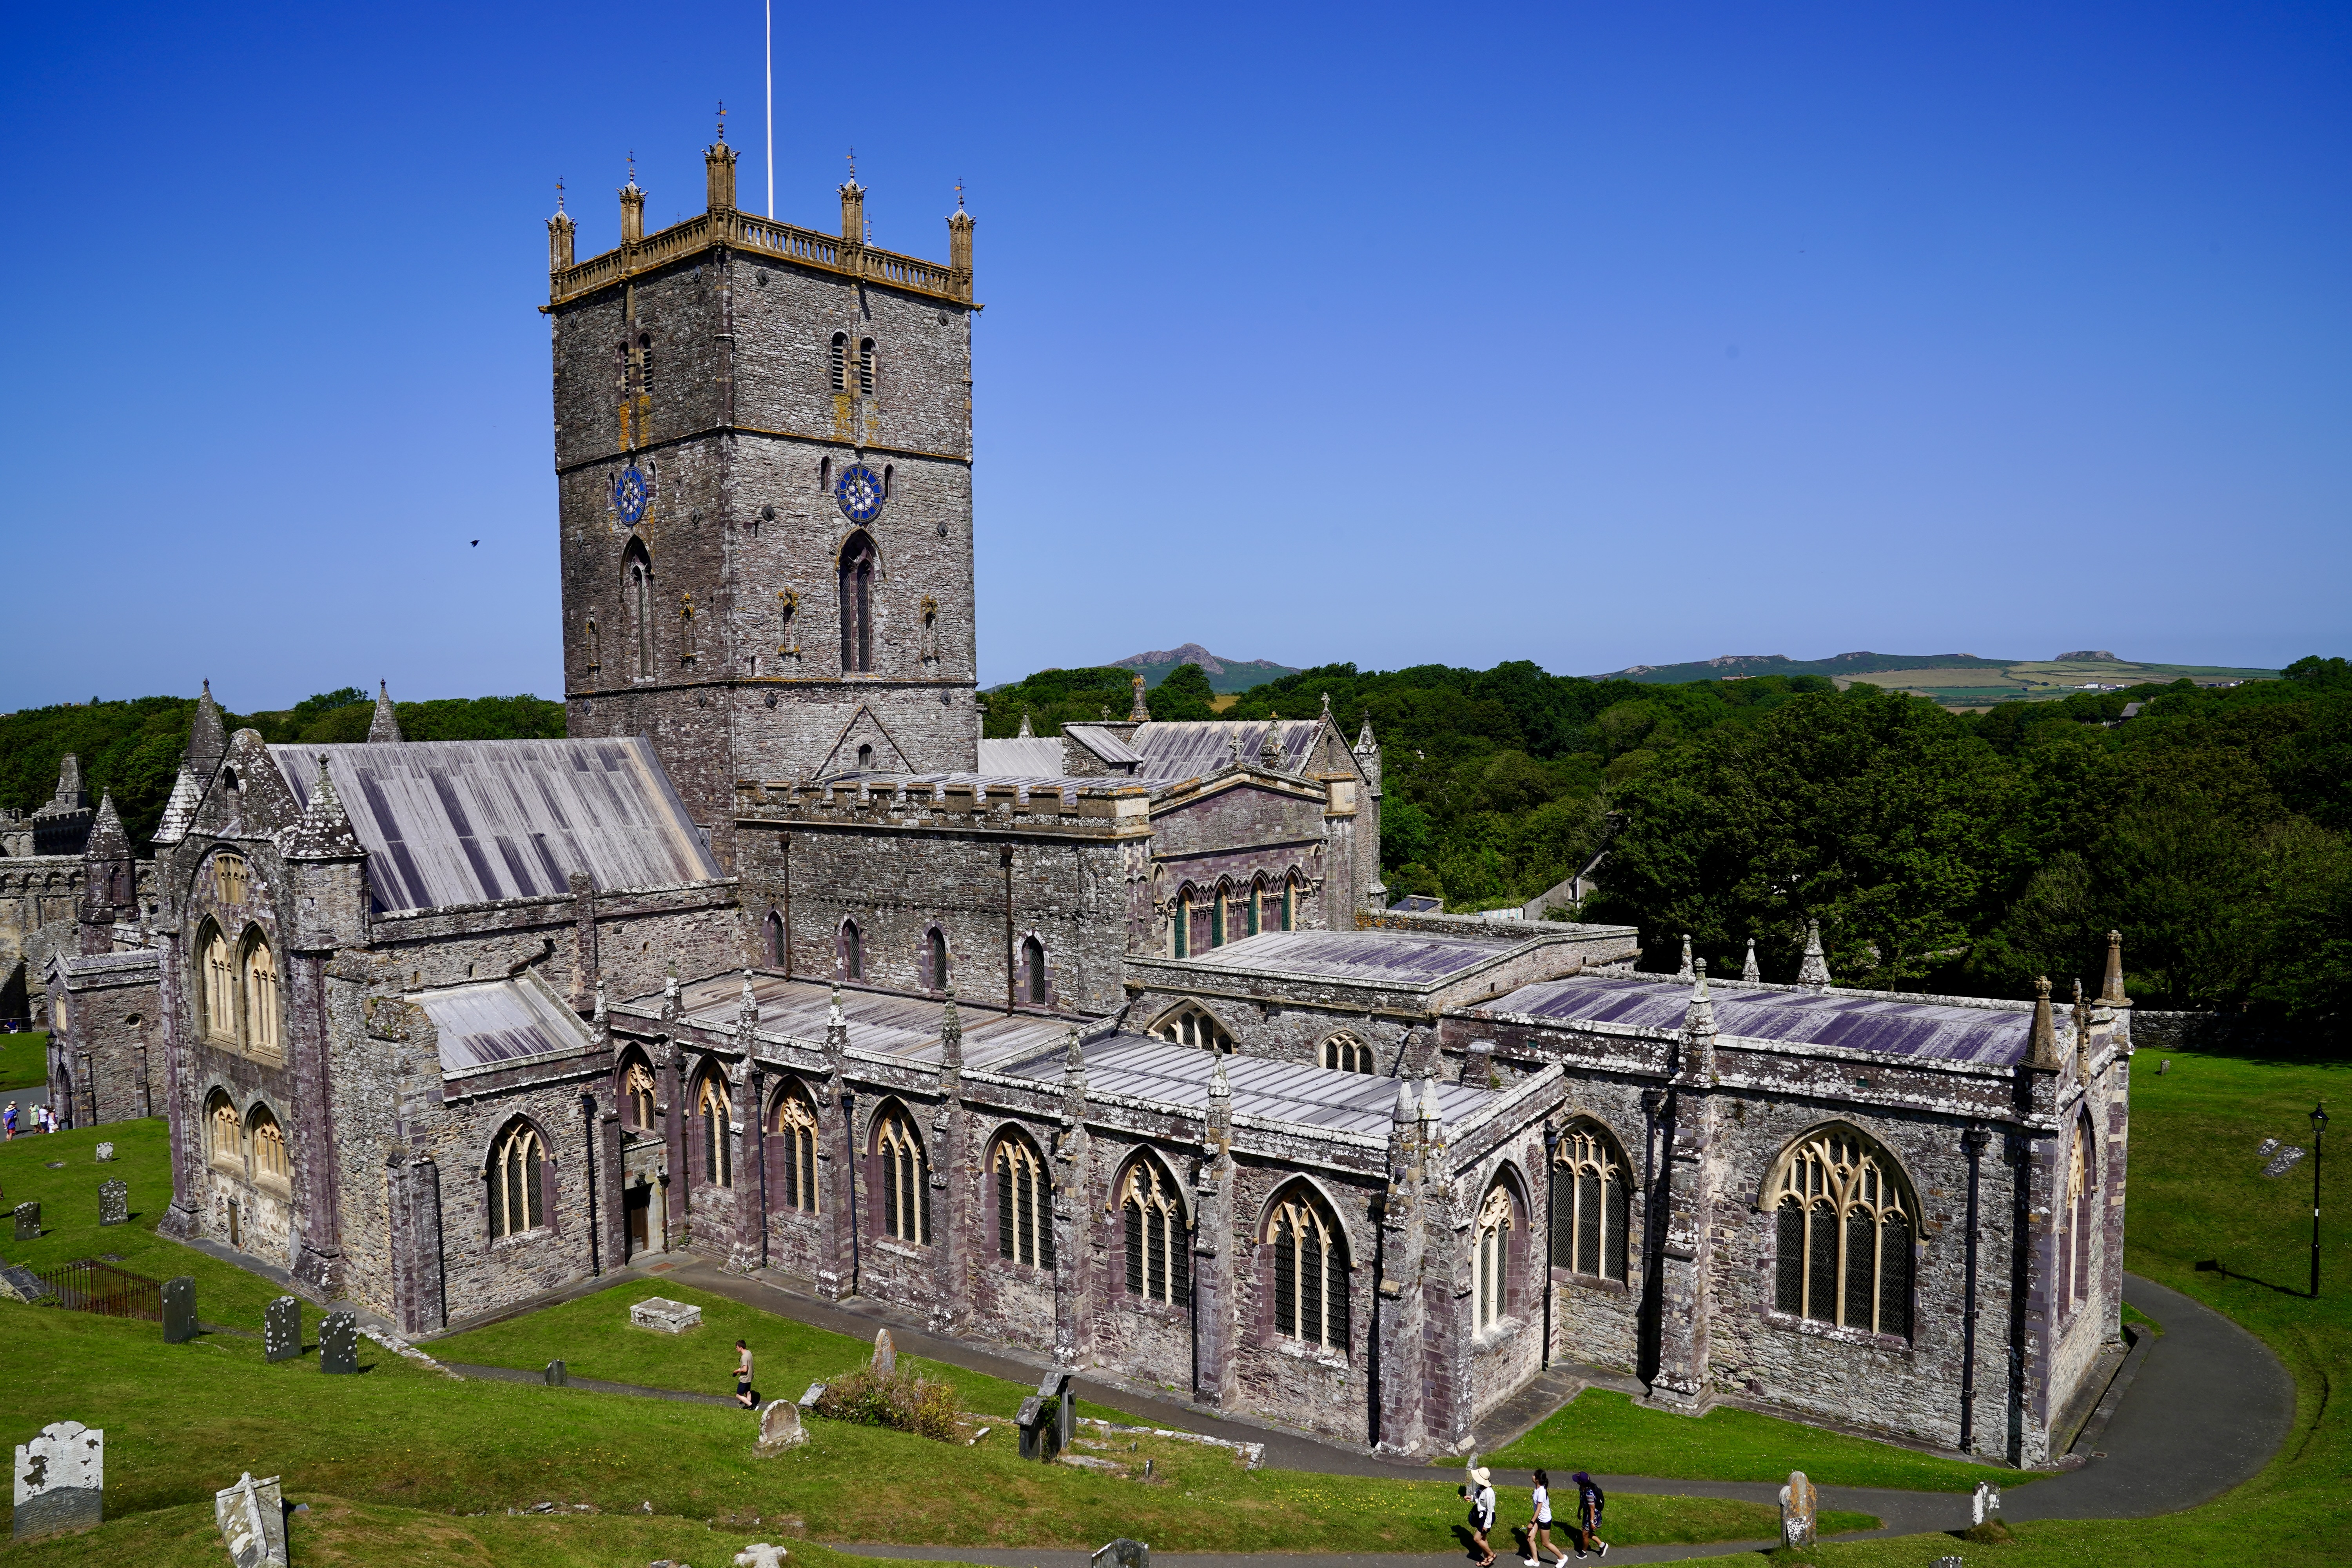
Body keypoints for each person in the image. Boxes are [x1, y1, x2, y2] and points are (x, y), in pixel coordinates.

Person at [1523, 1469, 1571, 1566]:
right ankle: (1536, 1561)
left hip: (1544, 1520)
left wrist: (1531, 1522)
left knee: (1545, 1543)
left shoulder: (1541, 1492)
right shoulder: (1537, 1489)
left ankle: (1562, 1558)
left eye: (1534, 1475)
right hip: (1538, 1519)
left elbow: (1539, 1510)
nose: (1532, 1476)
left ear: (1537, 1479)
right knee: (1529, 1538)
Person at [1457, 1466, 1498, 1567]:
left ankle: (1491, 1555)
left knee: (1477, 1539)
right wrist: (1471, 1498)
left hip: (1487, 1517)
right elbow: (1477, 1498)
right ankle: (1487, 1560)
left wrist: (1487, 1525)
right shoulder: (1480, 1488)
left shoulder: (1489, 1493)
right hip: (1482, 1516)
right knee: (1483, 1539)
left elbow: (1490, 1510)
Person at [1567, 1472, 1608, 1558]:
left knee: (1585, 1534)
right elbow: (1582, 1501)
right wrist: (1579, 1511)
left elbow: (1592, 1508)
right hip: (1587, 1514)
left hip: (1592, 1515)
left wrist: (1592, 1522)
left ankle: (1584, 1552)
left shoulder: (1589, 1493)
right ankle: (1602, 1545)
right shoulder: (1581, 1489)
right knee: (1586, 1533)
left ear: (1581, 1482)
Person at [734, 1338, 755, 1408]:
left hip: (745, 1379)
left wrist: (737, 1371)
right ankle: (748, 1406)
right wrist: (739, 1369)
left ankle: (752, 1406)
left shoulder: (744, 1357)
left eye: (737, 1348)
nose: (736, 1349)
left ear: (741, 1347)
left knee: (738, 1395)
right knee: (748, 1392)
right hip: (750, 1377)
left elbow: (745, 1369)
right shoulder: (749, 1353)